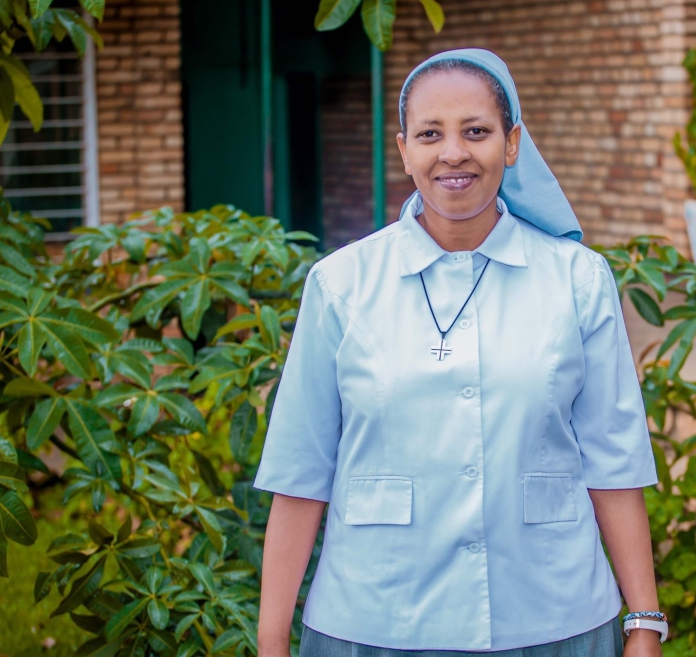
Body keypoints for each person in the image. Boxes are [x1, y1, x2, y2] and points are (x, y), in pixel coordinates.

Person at [254, 48, 665, 657]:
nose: (453, 153)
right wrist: (270, 642)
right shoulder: (341, 284)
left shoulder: (577, 280)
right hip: (373, 622)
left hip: (554, 618)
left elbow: (615, 461)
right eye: (430, 134)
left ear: (513, 142)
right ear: (404, 150)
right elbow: (300, 472)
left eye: (476, 131)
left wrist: (645, 623)